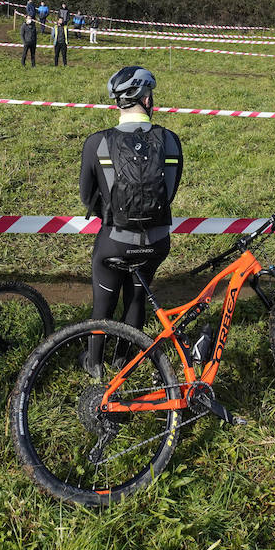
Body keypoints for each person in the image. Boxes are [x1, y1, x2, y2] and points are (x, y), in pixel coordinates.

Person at [78, 67, 183, 377]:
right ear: (147, 99)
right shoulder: (171, 141)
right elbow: (171, 191)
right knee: (137, 298)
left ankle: (94, 365)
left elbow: (87, 196)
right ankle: (123, 363)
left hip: (114, 239)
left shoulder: (97, 142)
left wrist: (112, 214)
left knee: (103, 304)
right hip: (156, 241)